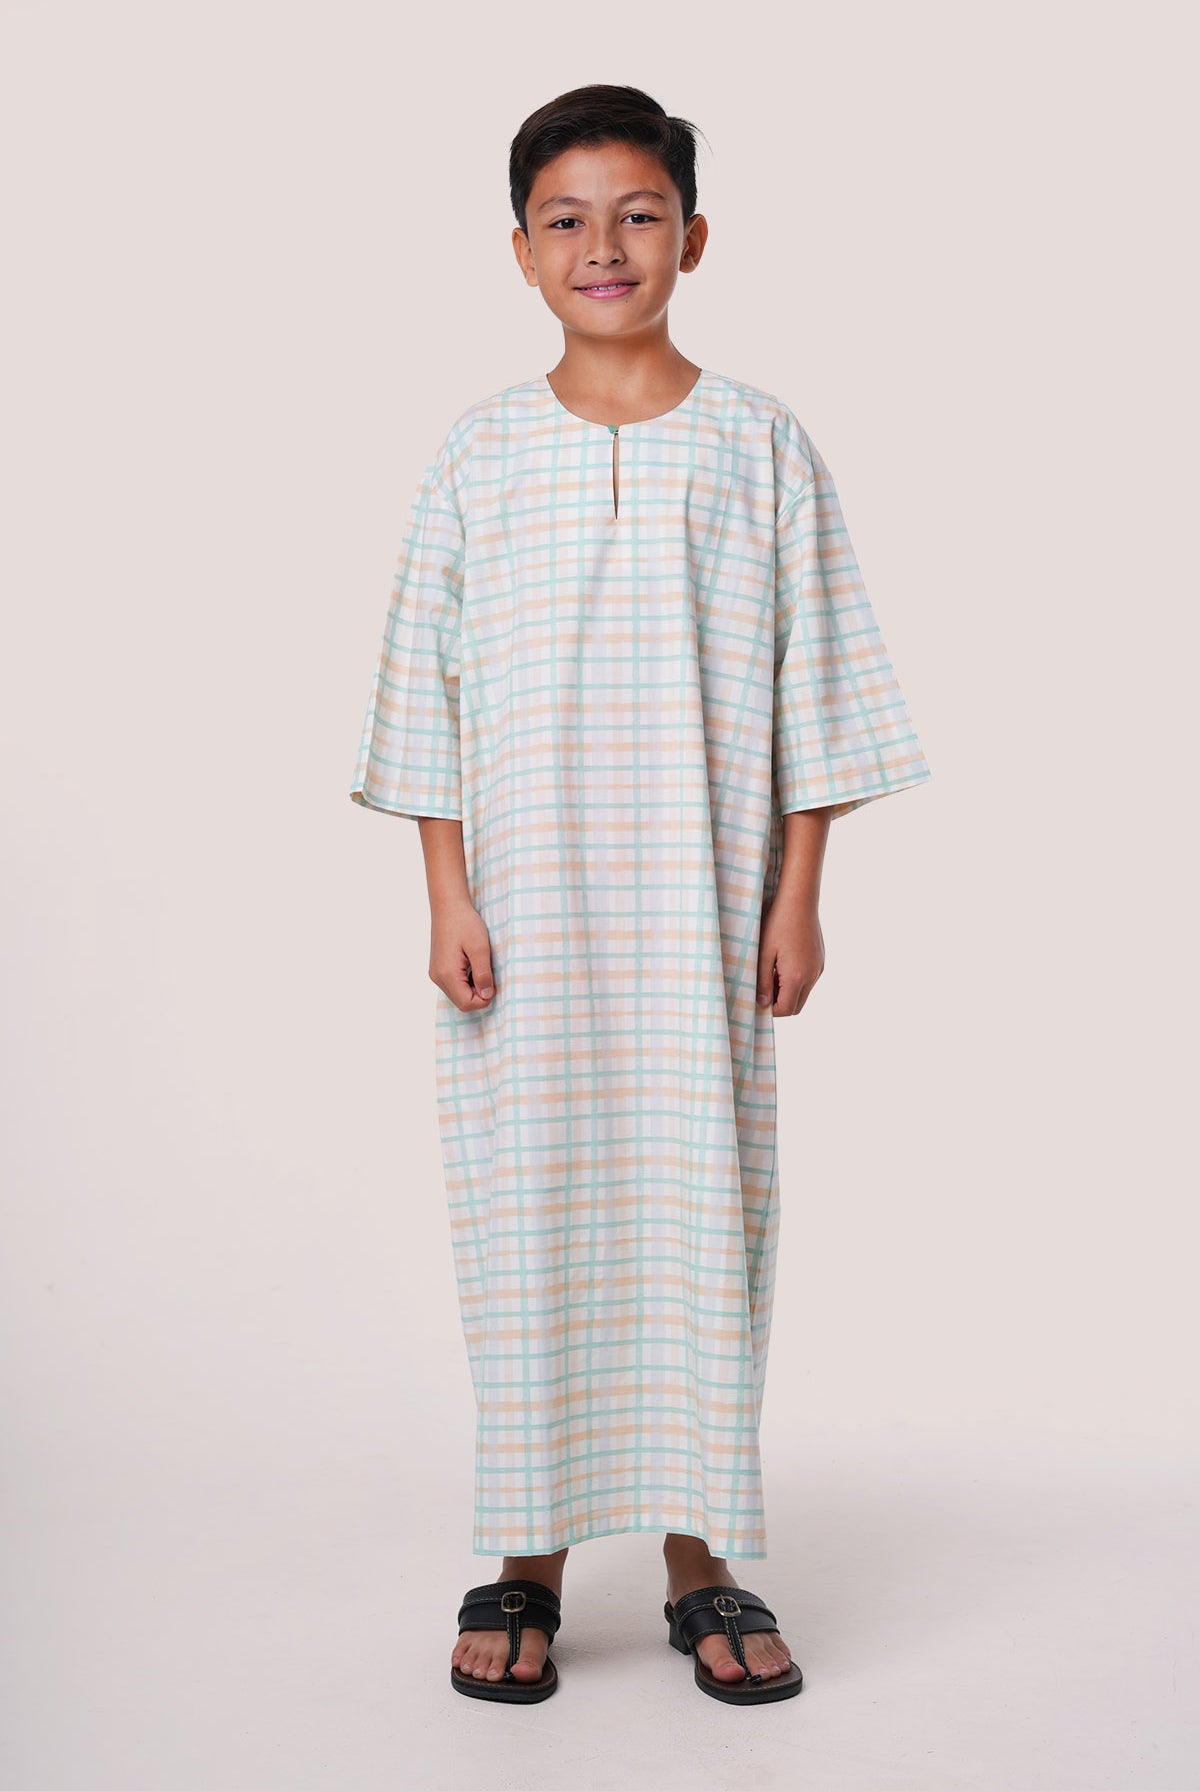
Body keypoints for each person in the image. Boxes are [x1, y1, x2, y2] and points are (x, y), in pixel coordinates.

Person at [349, 83, 932, 1707]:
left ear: (694, 235)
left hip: (700, 912)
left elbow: (820, 685)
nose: (603, 245)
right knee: (530, 1211)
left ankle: (699, 1552)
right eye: (567, 219)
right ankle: (526, 1553)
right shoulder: (480, 452)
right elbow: (423, 690)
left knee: (701, 1215)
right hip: (528, 923)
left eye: (637, 215)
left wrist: (799, 898)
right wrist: (446, 894)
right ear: (520, 250)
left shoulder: (759, 443)